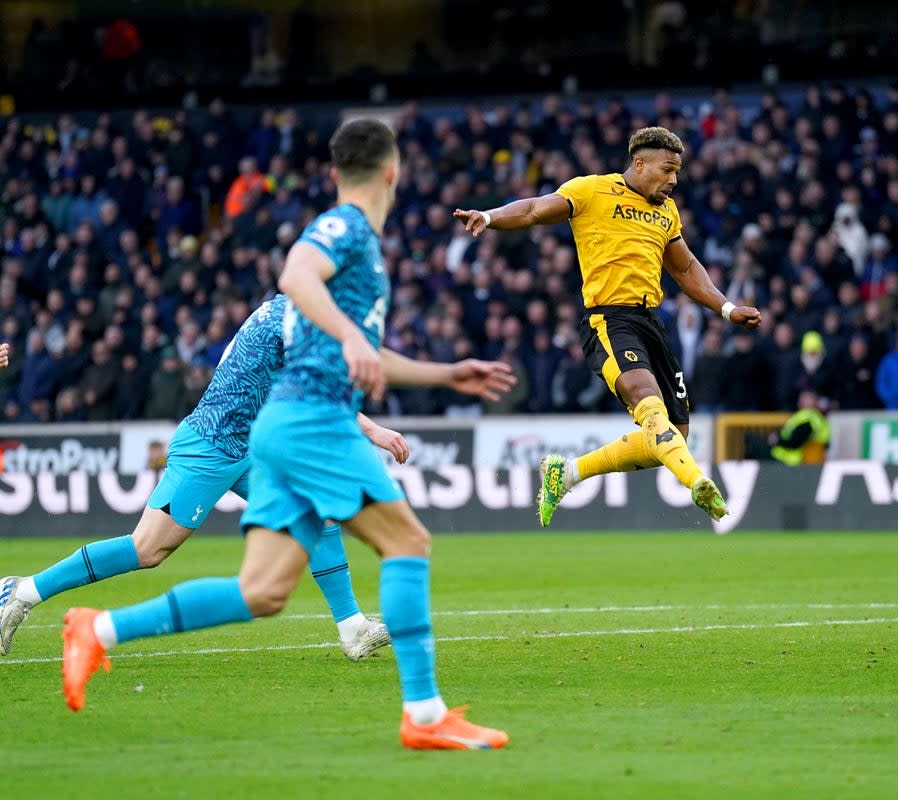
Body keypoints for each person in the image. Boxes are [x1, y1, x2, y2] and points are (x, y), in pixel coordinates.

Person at [58, 118, 513, 749]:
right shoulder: (345, 228)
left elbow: (358, 354)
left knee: (264, 591)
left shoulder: (360, 250)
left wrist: (444, 374)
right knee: (407, 542)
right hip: (310, 423)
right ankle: (425, 715)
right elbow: (295, 275)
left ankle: (97, 630)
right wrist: (354, 337)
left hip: (282, 427)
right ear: (392, 171)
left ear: (334, 170)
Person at [0, 290, 511, 659]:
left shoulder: (285, 308)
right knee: (148, 550)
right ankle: (22, 592)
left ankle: (352, 627)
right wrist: (374, 431)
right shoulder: (294, 324)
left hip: (251, 444)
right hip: (212, 446)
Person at [454, 126, 762, 527]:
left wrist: (726, 308)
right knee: (648, 406)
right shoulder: (592, 191)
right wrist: (490, 216)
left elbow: (685, 268)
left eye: (678, 172)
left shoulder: (666, 211)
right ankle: (698, 482)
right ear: (639, 163)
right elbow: (532, 209)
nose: (673, 180)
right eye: (667, 170)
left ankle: (568, 473)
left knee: (672, 438)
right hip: (609, 319)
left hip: (652, 323)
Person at [769, 390, 830, 465]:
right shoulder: (803, 415)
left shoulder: (810, 418)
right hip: (784, 457)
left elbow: (796, 441)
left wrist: (777, 441)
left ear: (815, 401)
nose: (803, 401)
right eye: (802, 398)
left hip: (790, 460)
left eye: (807, 399)